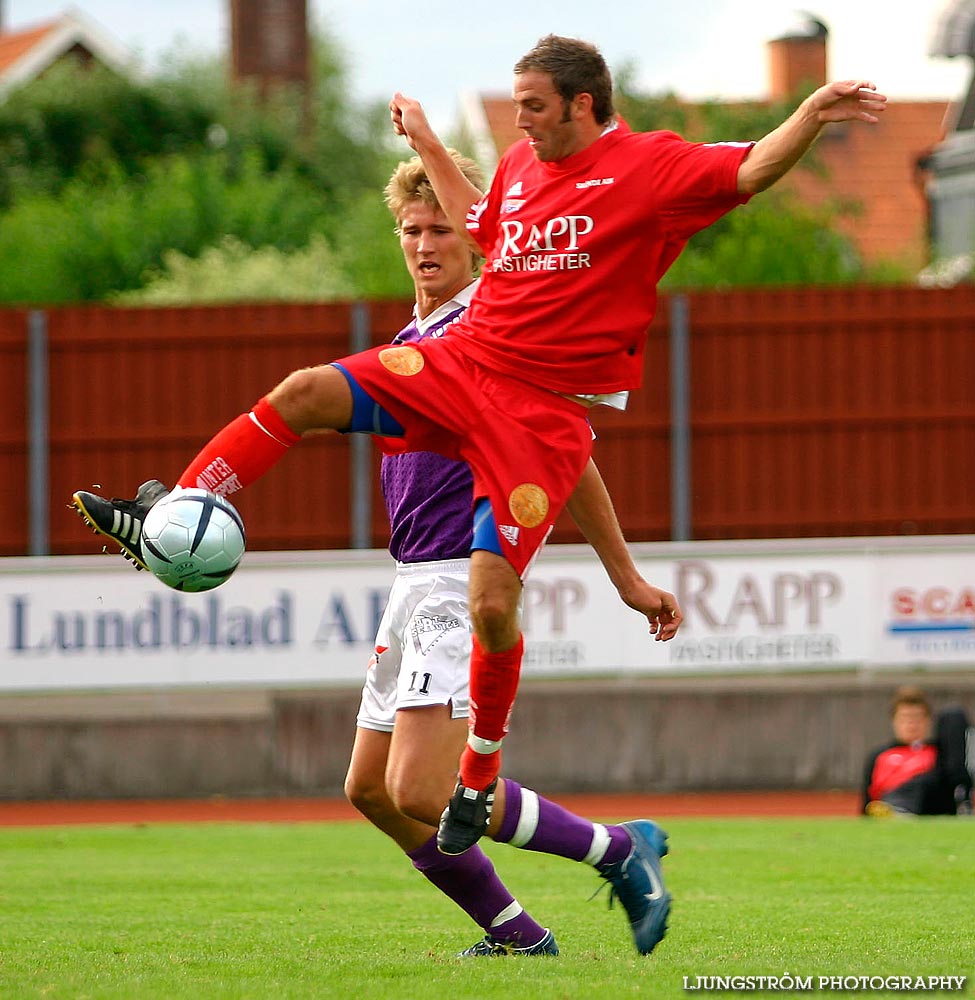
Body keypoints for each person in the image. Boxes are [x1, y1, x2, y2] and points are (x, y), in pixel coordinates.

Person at [71, 33, 886, 867]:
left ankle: (482, 773)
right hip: (464, 363)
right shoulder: (520, 171)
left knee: (493, 605)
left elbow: (748, 168)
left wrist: (813, 113)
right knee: (303, 390)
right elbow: (483, 223)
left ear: (581, 103)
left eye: (533, 105)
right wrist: (426, 141)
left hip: (539, 414)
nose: (519, 120)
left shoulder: (649, 167)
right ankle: (170, 510)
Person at [344, 150, 678, 956]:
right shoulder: (410, 335)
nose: (425, 244)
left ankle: (617, 848)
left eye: (441, 228)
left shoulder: (489, 333)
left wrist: (625, 576)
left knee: (420, 788)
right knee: (370, 791)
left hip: (461, 576)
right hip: (410, 579)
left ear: (476, 238)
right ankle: (518, 936)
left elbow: (570, 453)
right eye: (410, 229)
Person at [861, 686, 973, 817]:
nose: (911, 724)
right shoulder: (880, 756)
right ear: (894, 721)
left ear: (927, 720)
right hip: (887, 804)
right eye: (905, 717)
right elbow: (867, 802)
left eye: (917, 717)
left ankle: (901, 809)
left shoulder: (939, 753)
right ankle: (897, 808)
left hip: (931, 803)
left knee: (953, 715)